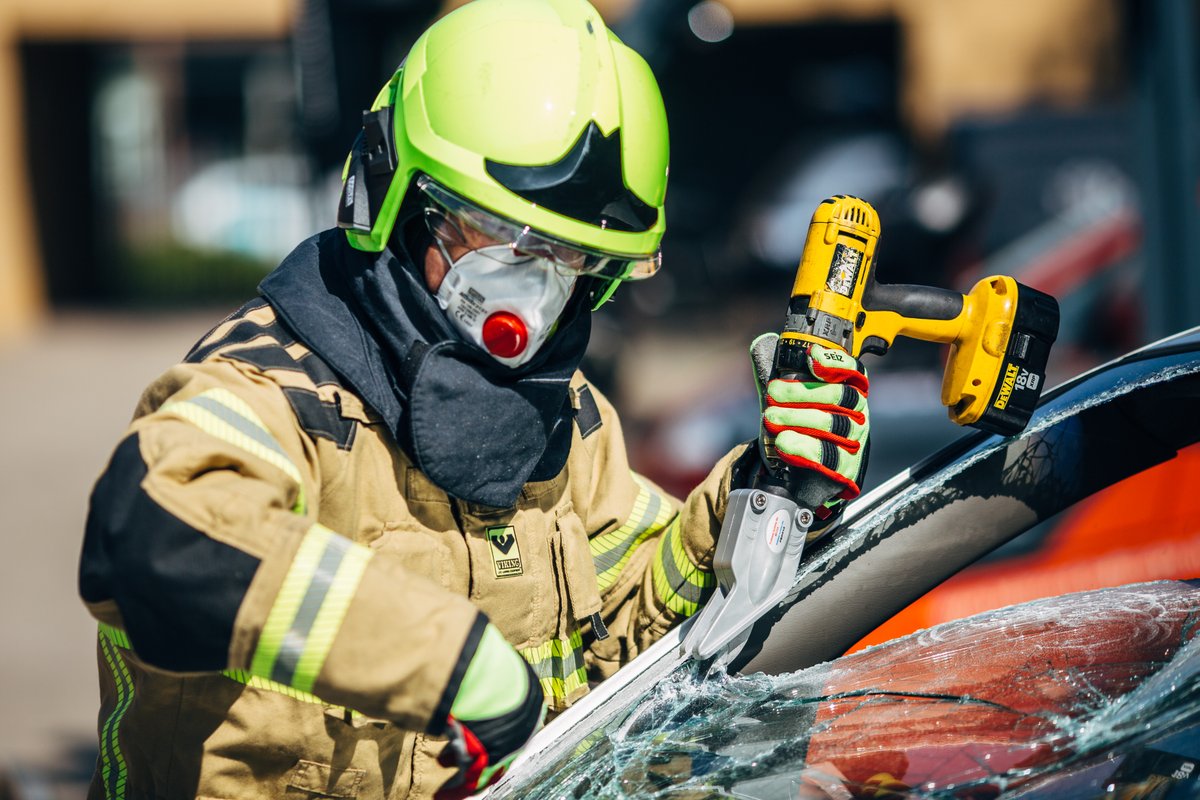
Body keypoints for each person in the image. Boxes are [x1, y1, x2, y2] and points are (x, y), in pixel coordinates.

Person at [77, 0, 871, 797]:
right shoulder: (268, 392)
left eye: (574, 259)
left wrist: (759, 496)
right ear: (392, 194)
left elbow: (635, 634)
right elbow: (155, 536)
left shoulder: (567, 418)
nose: (537, 293)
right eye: (503, 237)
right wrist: (446, 661)